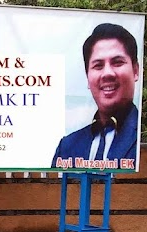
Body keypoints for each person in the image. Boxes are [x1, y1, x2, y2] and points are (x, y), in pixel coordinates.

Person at [52, 23, 140, 168]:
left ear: (135, 71)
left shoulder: (146, 137)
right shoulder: (67, 146)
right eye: (98, 65)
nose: (107, 73)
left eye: (117, 63)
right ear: (88, 77)